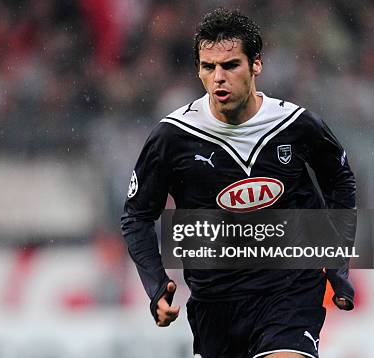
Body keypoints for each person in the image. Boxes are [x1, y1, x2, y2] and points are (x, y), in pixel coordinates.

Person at [121, 8, 356, 358]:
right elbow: (136, 216)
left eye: (230, 65)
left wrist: (334, 261)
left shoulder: (296, 125)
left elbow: (341, 183)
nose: (218, 78)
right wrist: (156, 285)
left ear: (256, 65)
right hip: (215, 305)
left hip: (288, 293)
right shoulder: (174, 136)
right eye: (207, 67)